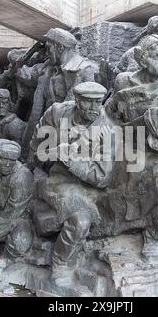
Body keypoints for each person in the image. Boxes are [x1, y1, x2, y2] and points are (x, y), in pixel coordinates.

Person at [107, 34, 158, 262]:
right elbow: (110, 112)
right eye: (157, 56)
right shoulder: (123, 81)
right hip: (124, 150)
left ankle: (153, 237)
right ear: (142, 59)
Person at [31, 81, 116, 286]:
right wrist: (54, 150)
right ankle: (61, 264)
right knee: (80, 221)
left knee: (86, 220)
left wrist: (73, 161)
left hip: (90, 188)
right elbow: (37, 144)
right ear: (77, 100)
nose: (95, 109)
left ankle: (65, 259)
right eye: (88, 103)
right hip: (58, 181)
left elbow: (103, 177)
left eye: (98, 103)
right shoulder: (58, 113)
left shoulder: (107, 129)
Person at [16, 28, 99, 157]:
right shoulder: (48, 68)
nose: (47, 52)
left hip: (69, 134)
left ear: (60, 47)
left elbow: (89, 107)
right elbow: (28, 75)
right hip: (45, 128)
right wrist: (16, 61)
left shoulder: (84, 70)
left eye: (49, 48)